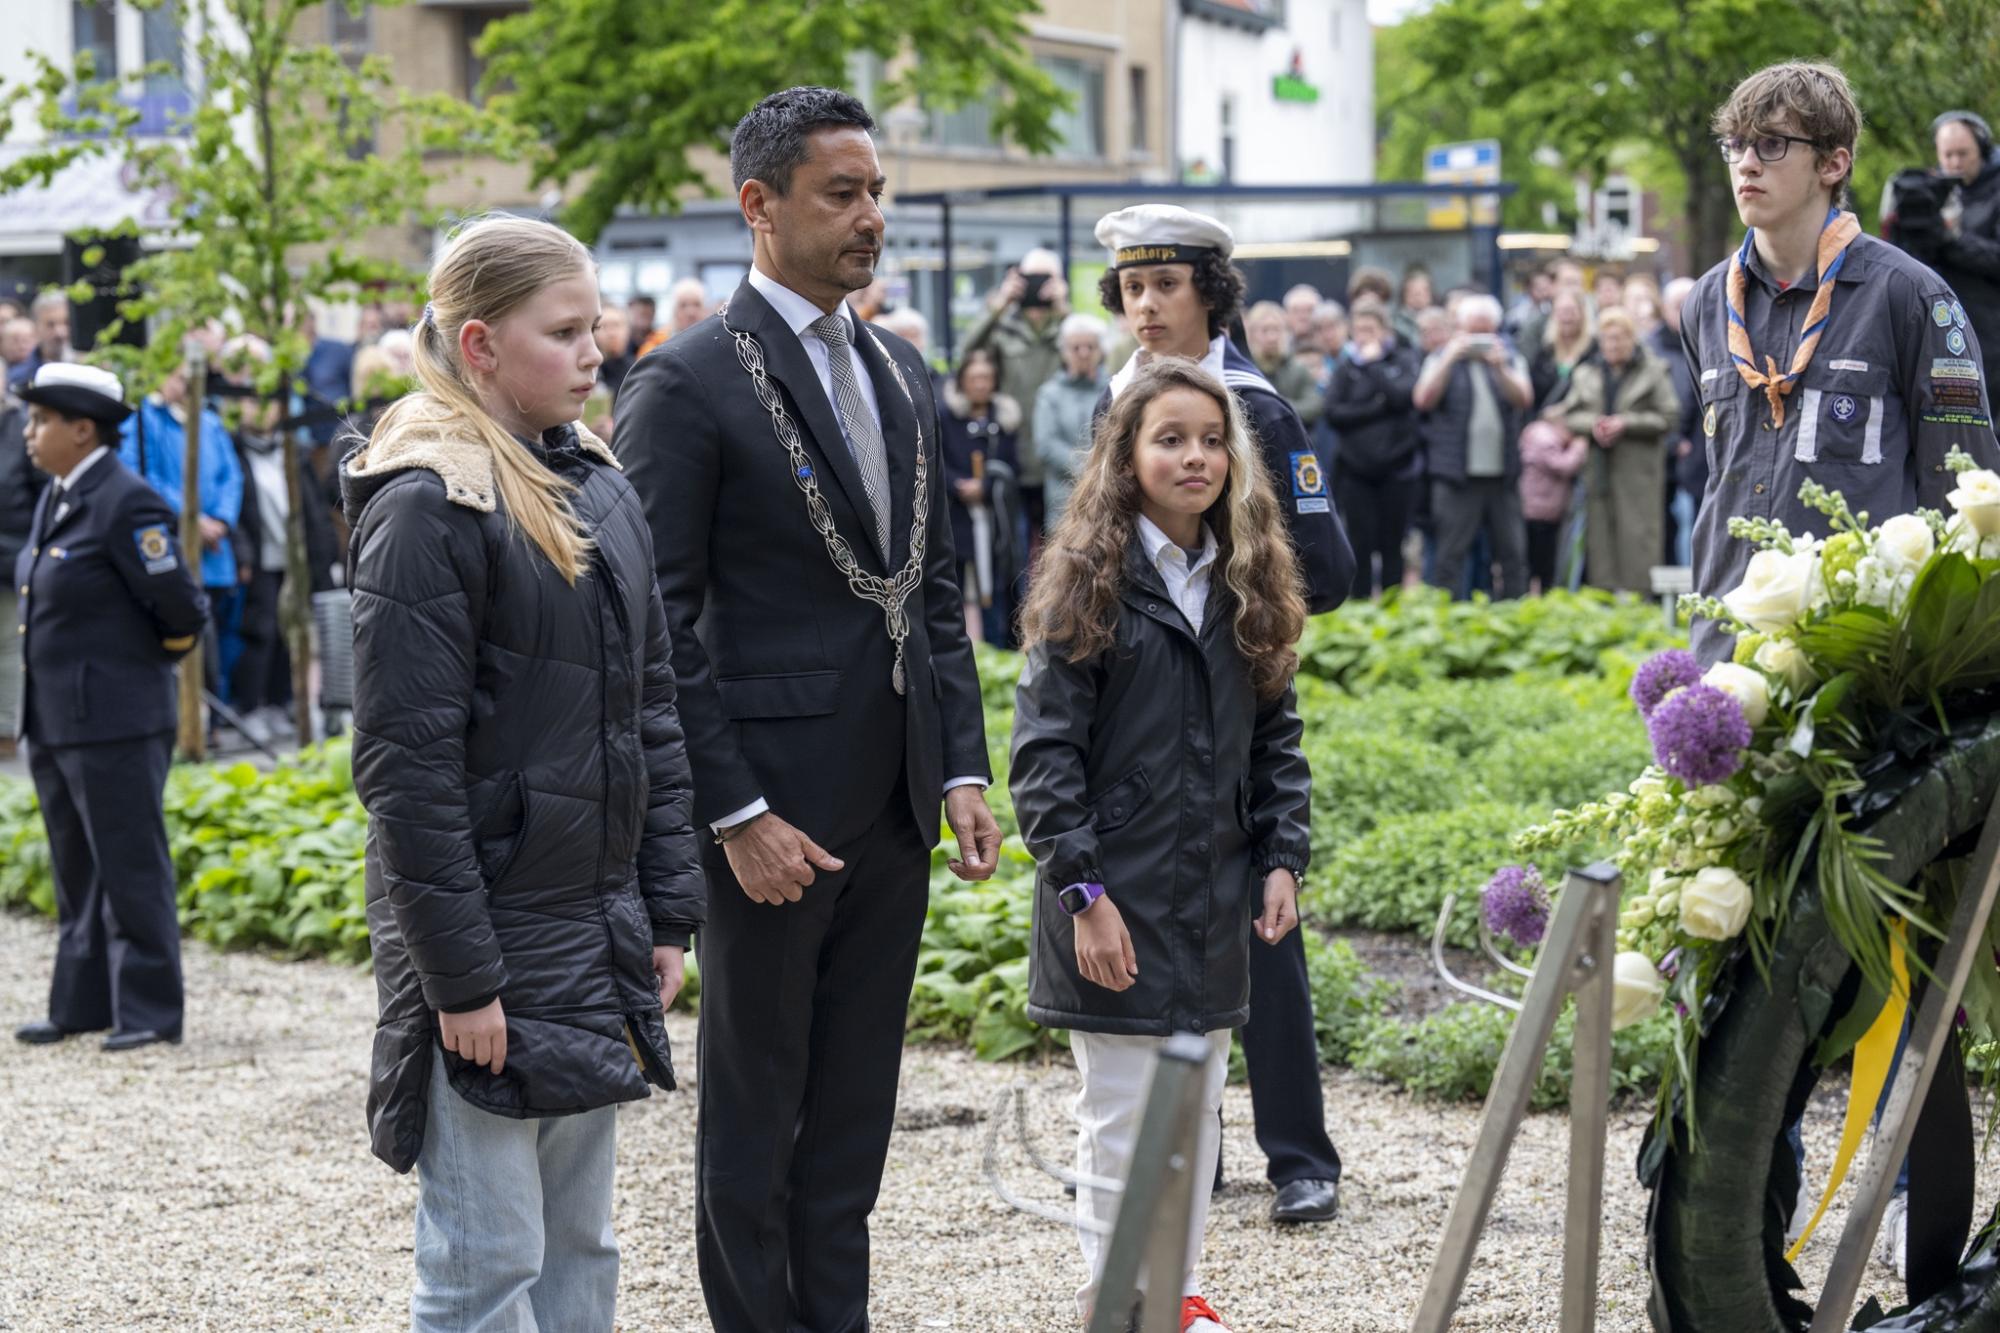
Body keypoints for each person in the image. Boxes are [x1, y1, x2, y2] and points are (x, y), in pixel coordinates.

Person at [612, 86, 1000, 1333]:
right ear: (758, 206)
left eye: (877, 191)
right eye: (843, 194)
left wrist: (959, 769)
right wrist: (731, 809)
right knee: (754, 1118)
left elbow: (932, 588)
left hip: (895, 806)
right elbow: (653, 624)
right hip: (769, 821)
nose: (870, 217)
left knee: (850, 1125)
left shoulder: (897, 365)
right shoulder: (684, 385)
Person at [340, 215, 702, 1328]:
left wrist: (665, 913)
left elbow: (647, 710)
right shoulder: (425, 506)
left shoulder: (593, 481)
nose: (597, 351)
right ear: (481, 344)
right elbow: (408, 774)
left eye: (597, 325)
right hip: (489, 946)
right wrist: (461, 979)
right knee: (485, 1260)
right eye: (566, 331)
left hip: (587, 932)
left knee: (579, 1250)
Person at [1011, 358, 1310, 1333]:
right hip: (1112, 906)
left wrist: (1280, 856)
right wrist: (1081, 896)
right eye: (1169, 438)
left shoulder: (1245, 579)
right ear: (1125, 456)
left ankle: (1170, 1302)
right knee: (1118, 1126)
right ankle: (1113, 1306)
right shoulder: (1083, 587)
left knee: (1192, 1124)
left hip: (1211, 901)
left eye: (1211, 439)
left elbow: (1276, 742)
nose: (1195, 456)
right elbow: (1042, 763)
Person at [1092, 201, 1351, 1226]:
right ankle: (1180, 1156)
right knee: (1152, 925)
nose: (1144, 306)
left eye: (1165, 285)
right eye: (1130, 288)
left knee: (1260, 927)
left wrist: (1229, 599)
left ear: (1211, 291)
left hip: (1227, 687)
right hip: (1127, 698)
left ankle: (1297, 1154)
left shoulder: (1254, 409)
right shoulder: (1116, 401)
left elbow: (1326, 570)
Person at [1684, 60, 2000, 663]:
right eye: (1736, 145)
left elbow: (1966, 498)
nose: (1746, 162)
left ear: (1833, 163)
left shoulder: (1911, 297)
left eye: (1772, 144)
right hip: (1727, 655)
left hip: (1860, 661)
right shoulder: (1704, 302)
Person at [10, 363, 207, 1051]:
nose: (29, 432)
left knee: (129, 865)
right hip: (59, 718)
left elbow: (182, 608)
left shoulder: (127, 501)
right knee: (76, 867)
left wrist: (133, 672)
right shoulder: (60, 494)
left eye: (40, 421)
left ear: (82, 428)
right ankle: (82, 1002)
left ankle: (149, 1010)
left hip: (116, 720)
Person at [119, 355, 244, 695]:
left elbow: (230, 476)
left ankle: (214, 715)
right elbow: (143, 477)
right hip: (175, 541)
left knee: (219, 627)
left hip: (215, 548)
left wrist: (220, 519)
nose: (184, 386)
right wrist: (192, 519)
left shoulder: (210, 422)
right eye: (177, 377)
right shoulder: (144, 421)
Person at [1413, 293, 1535, 599]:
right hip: (1456, 476)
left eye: (1486, 331)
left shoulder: (1509, 357)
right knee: (1450, 557)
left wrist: (1501, 368)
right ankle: (1448, 623)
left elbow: (1524, 399)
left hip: (1502, 475)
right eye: (1472, 331)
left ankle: (1517, 618)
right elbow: (1423, 400)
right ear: (1459, 329)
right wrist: (1450, 357)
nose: (1479, 338)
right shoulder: (1441, 358)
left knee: (1513, 556)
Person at [1560, 307, 1679, 592]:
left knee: (1638, 537)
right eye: (1607, 339)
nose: (1613, 345)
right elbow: (1570, 414)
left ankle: (1640, 603)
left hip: (1638, 473)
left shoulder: (1653, 370)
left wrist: (1626, 423)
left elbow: (1669, 416)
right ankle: (1604, 603)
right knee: (1600, 538)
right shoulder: (1587, 372)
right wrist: (1594, 424)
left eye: (1619, 338)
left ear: (1631, 339)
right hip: (1598, 470)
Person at [964, 248, 1069, 536]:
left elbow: (1094, 359)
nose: (1037, 285)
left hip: (1057, 462)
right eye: (1031, 277)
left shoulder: (1066, 327)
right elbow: (967, 357)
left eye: (1046, 278)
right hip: (1015, 453)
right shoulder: (1004, 328)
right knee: (1014, 551)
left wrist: (1063, 308)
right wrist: (999, 304)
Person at [1324, 296, 1421, 598]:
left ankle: (1393, 611)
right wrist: (1375, 408)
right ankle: (1362, 608)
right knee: (1359, 545)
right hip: (1355, 472)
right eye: (1359, 329)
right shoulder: (1345, 368)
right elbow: (1335, 413)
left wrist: (1376, 365)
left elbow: (1402, 399)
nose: (1364, 335)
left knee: (1393, 546)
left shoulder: (1402, 360)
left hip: (1396, 470)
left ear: (1384, 330)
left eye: (1371, 328)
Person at [941, 347, 1023, 645]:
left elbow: (1013, 463)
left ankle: (998, 643)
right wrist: (958, 485)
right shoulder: (946, 417)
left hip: (995, 517)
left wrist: (986, 486)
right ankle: (958, 645)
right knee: (956, 582)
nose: (980, 384)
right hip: (958, 513)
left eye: (986, 378)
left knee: (999, 583)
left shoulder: (1003, 418)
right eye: (974, 378)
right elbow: (936, 458)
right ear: (963, 380)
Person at [1927, 111, 2000, 388]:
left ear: (1981, 148)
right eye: (1948, 155)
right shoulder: (1935, 192)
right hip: (1948, 327)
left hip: (1991, 329)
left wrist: (1952, 239)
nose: (1955, 163)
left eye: (1963, 154)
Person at [1035, 312, 1108, 529]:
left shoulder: (1115, 388)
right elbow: (1046, 445)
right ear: (1064, 352)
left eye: (1090, 347)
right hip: (1064, 498)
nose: (1083, 353)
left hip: (1108, 495)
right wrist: (1090, 468)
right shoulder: (1049, 394)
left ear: (1101, 351)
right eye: (1076, 348)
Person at [1652, 275, 1703, 564]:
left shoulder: (1712, 342)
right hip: (1659, 451)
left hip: (1697, 455)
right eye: (1678, 305)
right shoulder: (1650, 347)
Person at [0, 387, 37, 758]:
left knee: (8, 646)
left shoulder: (20, 427)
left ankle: (5, 736)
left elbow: (40, 491)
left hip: (8, 558)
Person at [1518, 417, 1588, 592]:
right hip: (1542, 512)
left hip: (1535, 509)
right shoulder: (1545, 439)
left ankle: (1534, 594)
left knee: (1532, 559)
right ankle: (1541, 595)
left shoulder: (1535, 433)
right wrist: (1579, 448)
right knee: (1543, 562)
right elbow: (1564, 466)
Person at [1244, 299, 1324, 427]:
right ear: (1252, 334)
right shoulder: (1245, 370)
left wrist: (1276, 407)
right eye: (1265, 330)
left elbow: (1314, 406)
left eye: (1276, 330)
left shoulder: (1298, 369)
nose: (1272, 337)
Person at [1529, 289, 1596, 412]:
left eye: (1571, 310)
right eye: (1561, 311)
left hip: (1581, 419)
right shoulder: (1545, 351)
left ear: (1582, 313)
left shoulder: (1594, 349)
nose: (1566, 316)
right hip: (1546, 422)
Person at [7, 292, 72, 391]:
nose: (60, 333)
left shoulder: (88, 369)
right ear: (35, 328)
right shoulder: (18, 379)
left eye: (66, 323)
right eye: (50, 325)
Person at [595, 303, 634, 396]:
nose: (611, 333)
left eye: (616, 325)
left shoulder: (637, 369)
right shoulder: (591, 371)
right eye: (603, 326)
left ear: (628, 330)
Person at [1393, 266, 1435, 347]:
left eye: (1423, 292)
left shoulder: (1440, 320)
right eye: (1414, 292)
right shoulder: (1395, 322)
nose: (1418, 297)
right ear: (1404, 294)